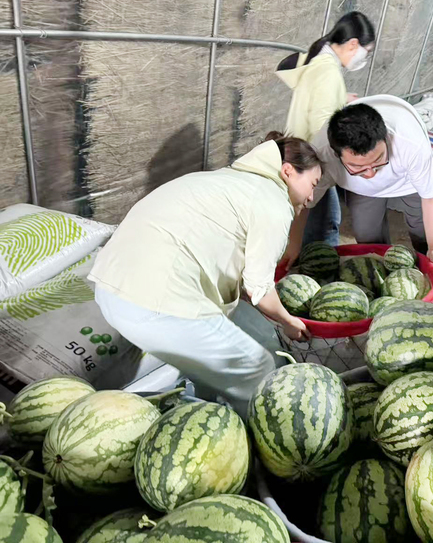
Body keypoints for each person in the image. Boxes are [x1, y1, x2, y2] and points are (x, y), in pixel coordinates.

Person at [89, 133, 320, 414]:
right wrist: (288, 322)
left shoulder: (225, 180)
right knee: (255, 368)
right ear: (288, 171)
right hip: (157, 302)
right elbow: (259, 289)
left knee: (218, 366)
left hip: (112, 290)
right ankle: (254, 438)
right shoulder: (273, 202)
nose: (311, 197)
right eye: (313, 184)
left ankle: (207, 416)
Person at [282, 95, 433, 273]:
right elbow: (305, 203)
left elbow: (430, 198)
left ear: (386, 139)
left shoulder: (411, 143)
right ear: (336, 155)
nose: (371, 173)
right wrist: (294, 244)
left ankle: (426, 268)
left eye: (378, 160)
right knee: (367, 234)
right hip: (361, 190)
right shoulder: (322, 155)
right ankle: (383, 273)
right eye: (357, 167)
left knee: (421, 228)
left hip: (408, 182)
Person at [276, 11, 376, 247]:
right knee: (324, 230)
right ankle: (313, 266)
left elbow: (316, 103)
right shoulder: (329, 73)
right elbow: (322, 126)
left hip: (303, 158)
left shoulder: (318, 64)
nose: (364, 59)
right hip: (314, 162)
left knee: (319, 224)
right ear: (353, 44)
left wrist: (341, 98)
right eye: (367, 52)